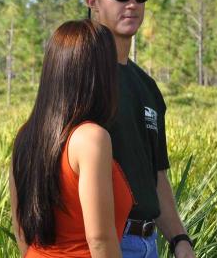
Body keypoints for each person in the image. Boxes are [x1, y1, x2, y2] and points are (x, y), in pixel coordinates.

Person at [85, 0, 195, 258]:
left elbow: (156, 175)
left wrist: (179, 239)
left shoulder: (147, 88)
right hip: (101, 243)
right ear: (92, 1)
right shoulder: (81, 75)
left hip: (147, 244)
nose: (132, 3)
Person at [9, 19, 131, 257]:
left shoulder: (26, 136)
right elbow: (99, 239)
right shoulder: (91, 138)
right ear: (99, 74)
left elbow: (21, 231)